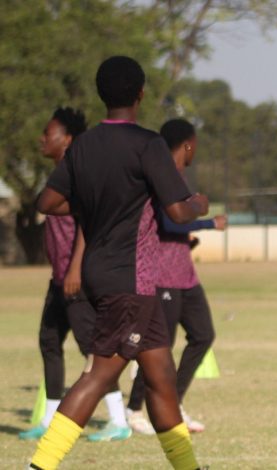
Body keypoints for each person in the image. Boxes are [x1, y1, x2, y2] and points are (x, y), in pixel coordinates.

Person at [31, 56, 207, 470]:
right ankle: (38, 465)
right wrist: (198, 202)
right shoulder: (148, 144)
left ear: (101, 94)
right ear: (141, 93)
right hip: (130, 278)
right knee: (100, 374)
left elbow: (46, 202)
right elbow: (179, 214)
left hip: (110, 275)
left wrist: (95, 207)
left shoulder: (85, 144)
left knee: (161, 380)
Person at [19, 108, 132, 443]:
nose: (42, 138)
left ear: (66, 139)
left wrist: (74, 269)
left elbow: (88, 222)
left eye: (48, 132)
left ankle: (118, 419)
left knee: (93, 350)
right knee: (49, 342)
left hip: (77, 279)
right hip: (59, 279)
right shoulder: (59, 174)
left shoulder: (80, 173)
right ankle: (51, 418)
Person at [125, 118, 224, 436]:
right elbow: (170, 223)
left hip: (185, 275)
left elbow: (174, 227)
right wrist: (210, 224)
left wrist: (189, 238)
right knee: (159, 345)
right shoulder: (163, 175)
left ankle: (174, 402)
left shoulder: (178, 177)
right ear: (188, 145)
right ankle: (134, 409)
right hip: (162, 276)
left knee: (203, 335)